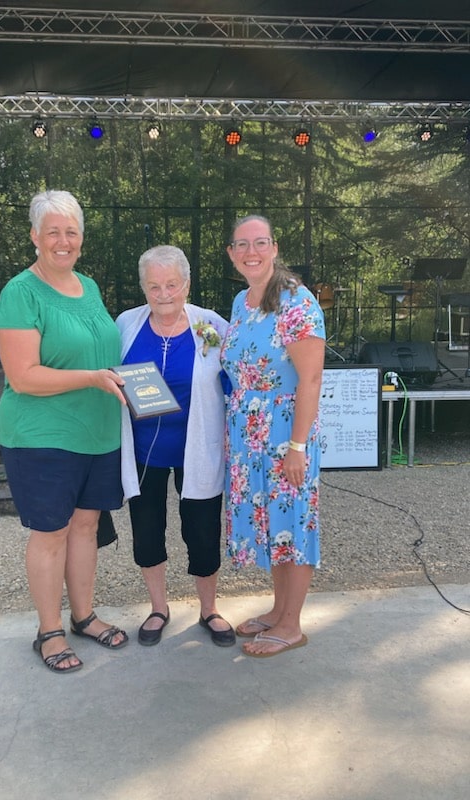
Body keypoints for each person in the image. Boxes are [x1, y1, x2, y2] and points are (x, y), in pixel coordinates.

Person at [0, 189, 129, 673]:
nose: (63, 241)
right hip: (41, 438)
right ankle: (49, 631)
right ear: (35, 236)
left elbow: (101, 353)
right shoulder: (20, 292)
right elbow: (22, 376)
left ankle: (83, 616)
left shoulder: (88, 287)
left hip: (97, 432)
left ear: (81, 238)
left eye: (71, 231)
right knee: (51, 532)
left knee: (86, 527)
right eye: (53, 232)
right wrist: (91, 378)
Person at [116, 245, 236, 647]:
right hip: (144, 450)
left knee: (202, 529)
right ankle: (158, 607)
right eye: (154, 286)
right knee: (147, 530)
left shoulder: (210, 325)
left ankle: (209, 609)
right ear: (143, 288)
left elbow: (233, 377)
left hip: (197, 447)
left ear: (187, 283)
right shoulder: (127, 324)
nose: (163, 294)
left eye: (171, 284)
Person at [221, 215, 326, 658]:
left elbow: (311, 379)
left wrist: (297, 446)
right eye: (242, 244)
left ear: (275, 247)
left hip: (285, 433)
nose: (251, 252)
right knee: (271, 525)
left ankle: (291, 625)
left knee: (293, 523)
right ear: (231, 253)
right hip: (249, 437)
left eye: (260, 242)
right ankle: (279, 611)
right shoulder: (241, 302)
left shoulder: (296, 301)